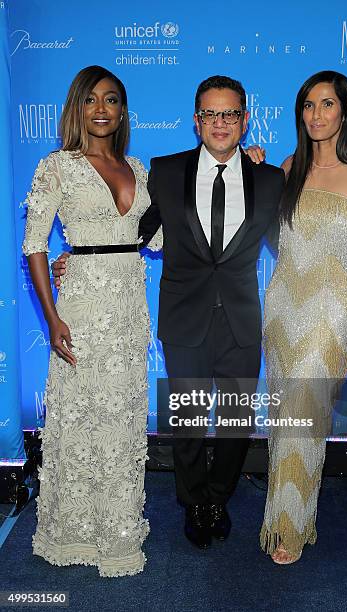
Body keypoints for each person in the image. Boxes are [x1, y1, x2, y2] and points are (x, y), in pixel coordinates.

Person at [55, 75, 285, 549]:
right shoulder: (163, 171)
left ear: (244, 120)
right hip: (184, 318)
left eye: (230, 114)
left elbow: (289, 243)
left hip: (242, 318)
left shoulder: (269, 178)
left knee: (237, 420)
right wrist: (79, 256)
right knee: (187, 420)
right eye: (210, 114)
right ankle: (194, 502)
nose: (220, 123)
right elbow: (130, 232)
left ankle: (219, 497)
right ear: (196, 120)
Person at [23, 65, 160, 577]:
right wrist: (53, 318)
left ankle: (119, 530)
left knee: (121, 420)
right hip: (81, 308)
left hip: (129, 308)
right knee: (81, 417)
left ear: (123, 111)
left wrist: (239, 168)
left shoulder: (139, 168)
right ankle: (73, 532)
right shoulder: (56, 166)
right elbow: (35, 245)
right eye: (92, 100)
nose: (102, 109)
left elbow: (155, 237)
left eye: (112, 100)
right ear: (77, 107)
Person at [260, 70, 347, 564]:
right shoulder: (290, 167)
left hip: (331, 313)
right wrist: (259, 170)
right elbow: (276, 240)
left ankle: (291, 527)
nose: (316, 114)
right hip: (283, 310)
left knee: (306, 418)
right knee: (284, 419)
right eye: (308, 106)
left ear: (344, 111)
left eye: (326, 104)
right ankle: (278, 517)